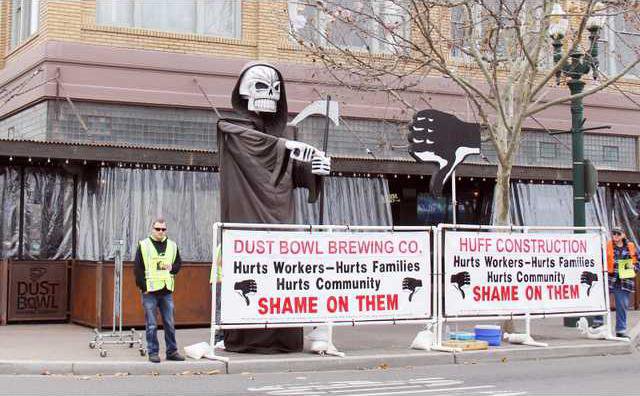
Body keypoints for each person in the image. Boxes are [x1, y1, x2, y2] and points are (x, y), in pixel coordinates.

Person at [134, 218, 185, 363]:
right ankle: (153, 352)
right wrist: (143, 287)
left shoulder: (172, 245)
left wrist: (172, 268)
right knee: (151, 324)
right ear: (152, 229)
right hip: (150, 292)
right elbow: (138, 269)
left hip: (166, 290)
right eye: (158, 229)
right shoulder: (144, 245)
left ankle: (172, 351)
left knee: (169, 323)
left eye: (163, 229)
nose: (161, 232)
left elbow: (178, 264)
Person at [604, 226, 638, 338]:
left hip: (624, 281)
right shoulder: (607, 245)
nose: (616, 236)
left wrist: (634, 269)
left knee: (622, 306)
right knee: (601, 302)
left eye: (618, 234)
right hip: (609, 278)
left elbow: (637, 261)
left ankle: (621, 330)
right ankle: (597, 325)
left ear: (623, 235)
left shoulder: (631, 246)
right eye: (614, 233)